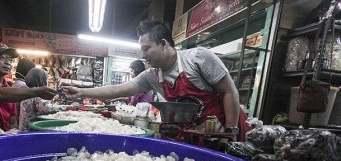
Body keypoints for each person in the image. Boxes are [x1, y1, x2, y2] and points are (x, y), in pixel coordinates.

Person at [63, 20, 251, 141]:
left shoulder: (197, 58)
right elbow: (117, 90)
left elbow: (229, 91)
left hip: (223, 129)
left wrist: (230, 132)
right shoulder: (152, 76)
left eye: (146, 48)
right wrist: (81, 92)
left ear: (163, 43)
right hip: (196, 134)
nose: (143, 55)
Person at [0, 43, 57, 131]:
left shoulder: (8, 87)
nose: (8, 62)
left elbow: (12, 120)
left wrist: (13, 134)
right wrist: (37, 91)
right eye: (2, 57)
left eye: (10, 59)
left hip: (3, 138)